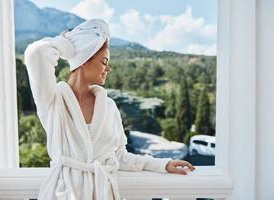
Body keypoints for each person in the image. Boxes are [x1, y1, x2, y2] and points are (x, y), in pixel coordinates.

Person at [24, 18, 195, 200]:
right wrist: (68, 44)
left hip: (103, 193)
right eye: (104, 62)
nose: (108, 68)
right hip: (63, 193)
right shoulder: (53, 100)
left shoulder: (108, 107)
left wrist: (163, 165)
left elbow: (120, 156)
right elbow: (36, 53)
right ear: (84, 61)